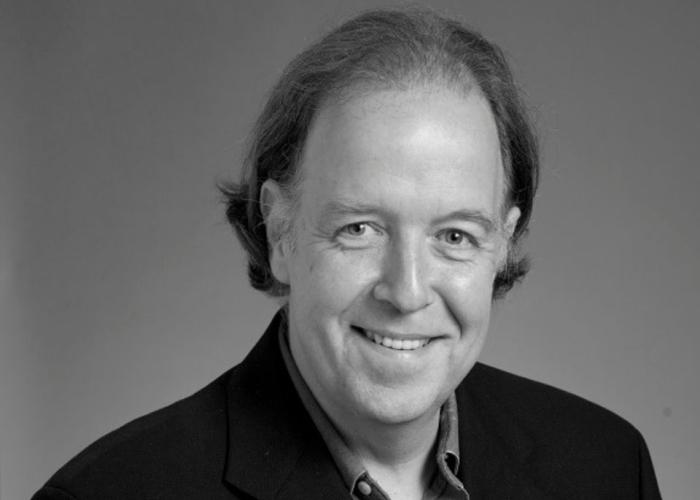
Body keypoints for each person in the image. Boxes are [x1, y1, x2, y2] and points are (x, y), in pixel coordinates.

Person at [33, 8, 662, 499]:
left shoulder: (606, 467)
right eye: (360, 229)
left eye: (455, 237)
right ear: (279, 232)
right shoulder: (110, 493)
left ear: (503, 244)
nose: (407, 291)